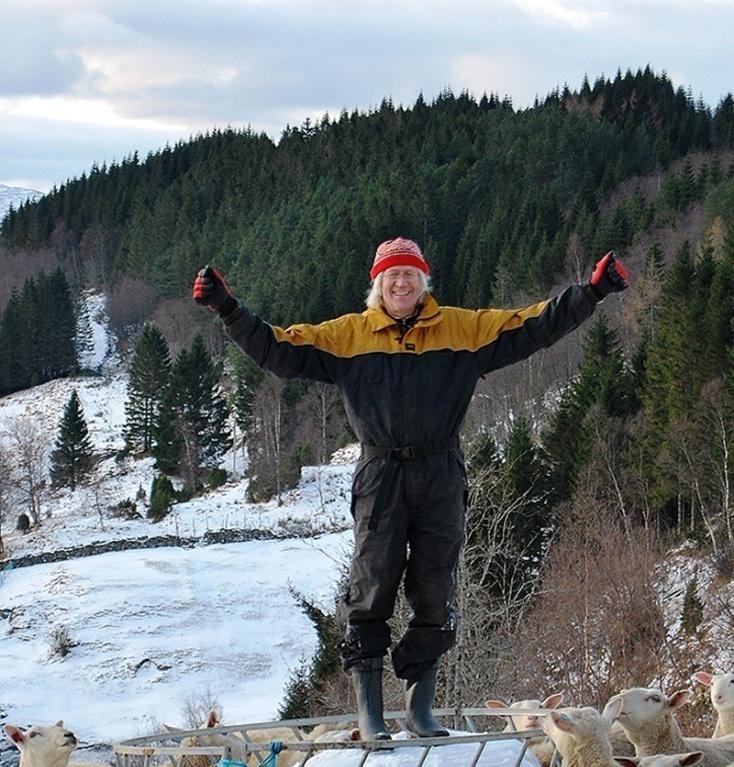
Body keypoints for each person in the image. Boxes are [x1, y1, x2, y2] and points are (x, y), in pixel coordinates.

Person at [193, 239, 628, 739]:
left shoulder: (464, 330)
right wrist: (227, 308)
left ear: (425, 282)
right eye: (391, 276)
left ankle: (420, 712)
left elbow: (534, 325)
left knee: (435, 589)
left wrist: (592, 292)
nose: (401, 284)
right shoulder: (348, 335)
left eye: (411, 275)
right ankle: (371, 715)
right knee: (371, 586)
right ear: (377, 285)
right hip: (380, 475)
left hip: (441, 472)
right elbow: (277, 348)